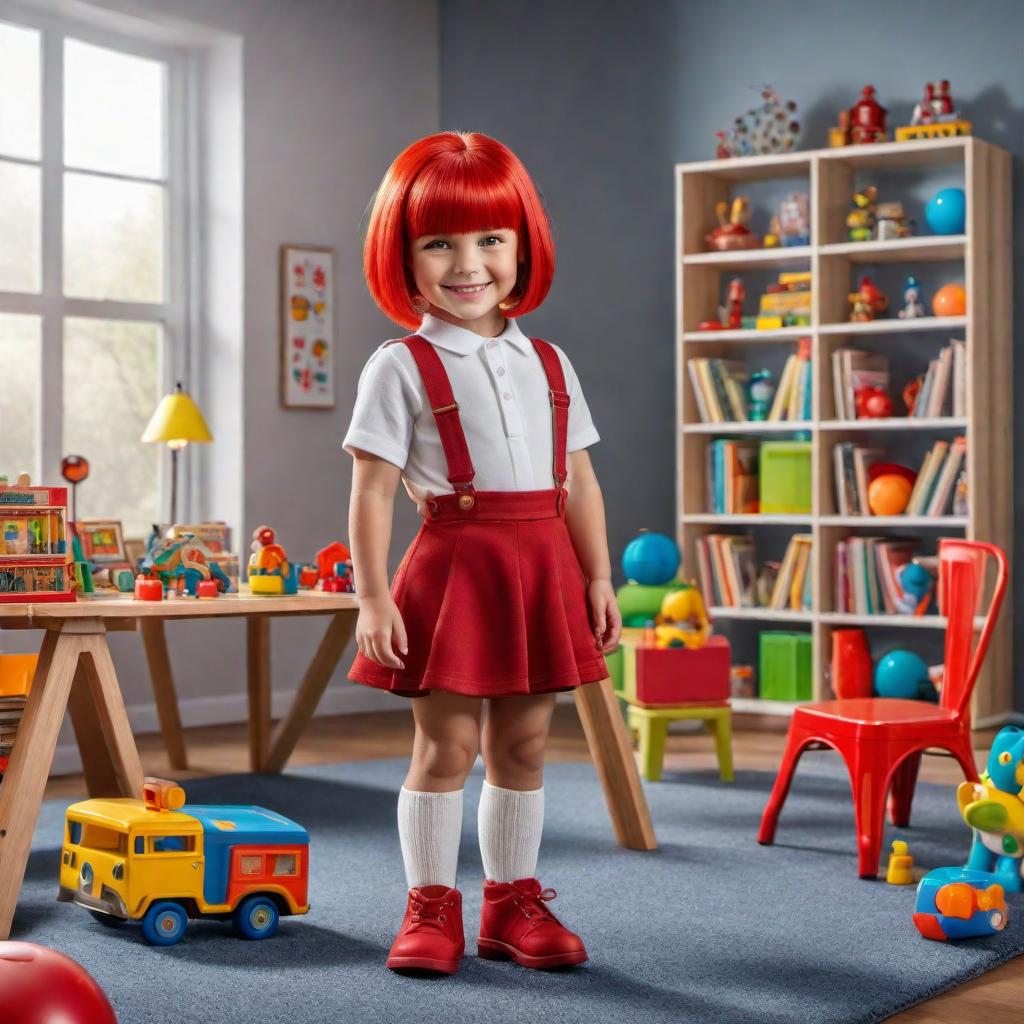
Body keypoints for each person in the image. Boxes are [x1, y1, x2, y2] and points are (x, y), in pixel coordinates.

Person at [343, 130, 621, 976]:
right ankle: (430, 906)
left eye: (490, 240)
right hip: (455, 568)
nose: (468, 264)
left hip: (542, 568)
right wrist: (372, 597)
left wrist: (600, 575)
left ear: (521, 245)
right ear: (405, 255)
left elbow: (578, 479)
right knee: (446, 748)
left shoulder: (548, 359)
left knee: (525, 747)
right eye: (440, 243)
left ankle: (511, 902)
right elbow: (374, 490)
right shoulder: (399, 365)